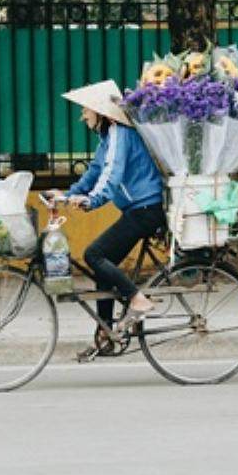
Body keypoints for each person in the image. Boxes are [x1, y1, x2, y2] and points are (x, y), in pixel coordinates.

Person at [42, 80, 165, 354]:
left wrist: (92, 201)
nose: (82, 116)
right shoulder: (108, 139)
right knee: (103, 266)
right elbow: (94, 173)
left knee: (94, 254)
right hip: (138, 210)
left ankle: (137, 299)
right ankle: (106, 335)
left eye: (86, 110)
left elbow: (111, 176)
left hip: (146, 210)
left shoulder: (120, 134)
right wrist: (65, 196)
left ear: (101, 112)